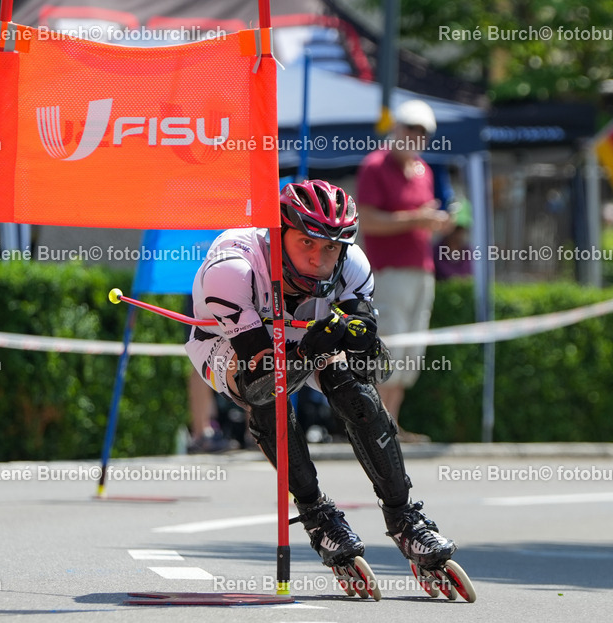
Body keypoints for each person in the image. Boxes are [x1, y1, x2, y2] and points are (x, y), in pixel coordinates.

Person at [185, 180, 458, 575]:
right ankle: (319, 517)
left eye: (330, 247)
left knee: (354, 390)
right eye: (307, 243)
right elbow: (264, 379)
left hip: (301, 333)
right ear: (280, 235)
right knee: (268, 399)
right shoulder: (232, 269)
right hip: (226, 340)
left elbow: (377, 370)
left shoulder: (353, 265)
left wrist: (363, 344)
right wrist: (308, 350)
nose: (319, 258)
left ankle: (406, 520)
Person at [356, 99, 453, 442]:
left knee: (411, 353)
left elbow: (420, 222)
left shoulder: (423, 171)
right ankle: (378, 426)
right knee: (390, 347)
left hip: (420, 272)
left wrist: (436, 223)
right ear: (396, 128)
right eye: (410, 128)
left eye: (422, 132)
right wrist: (418, 218)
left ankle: (391, 425)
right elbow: (366, 221)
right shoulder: (374, 166)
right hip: (388, 272)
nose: (415, 136)